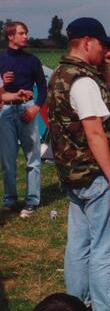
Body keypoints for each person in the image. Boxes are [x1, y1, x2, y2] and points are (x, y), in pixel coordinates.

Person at [47, 17, 110, 310]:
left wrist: (105, 63)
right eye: (101, 44)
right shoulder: (83, 82)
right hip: (98, 177)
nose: (103, 50)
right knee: (107, 250)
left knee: (79, 247)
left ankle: (77, 304)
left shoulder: (61, 73)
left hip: (75, 176)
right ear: (87, 42)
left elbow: (98, 99)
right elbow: (94, 131)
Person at [0, 21, 47, 218]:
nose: (26, 36)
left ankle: (32, 201)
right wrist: (4, 79)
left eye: (26, 33)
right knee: (7, 160)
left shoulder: (32, 60)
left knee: (32, 158)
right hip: (5, 111)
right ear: (10, 36)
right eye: (21, 33)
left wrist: (35, 109)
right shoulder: (1, 60)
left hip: (27, 110)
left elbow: (43, 89)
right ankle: (10, 201)